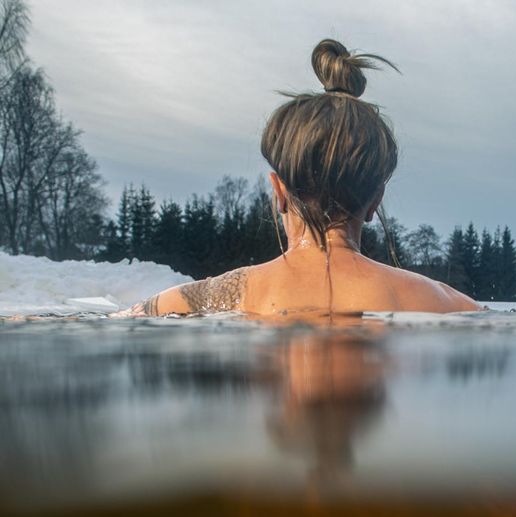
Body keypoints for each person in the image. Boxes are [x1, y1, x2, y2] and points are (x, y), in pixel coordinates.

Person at [119, 39, 481, 317]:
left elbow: (137, 314)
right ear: (375, 200)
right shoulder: (444, 303)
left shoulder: (226, 294)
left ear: (278, 191)